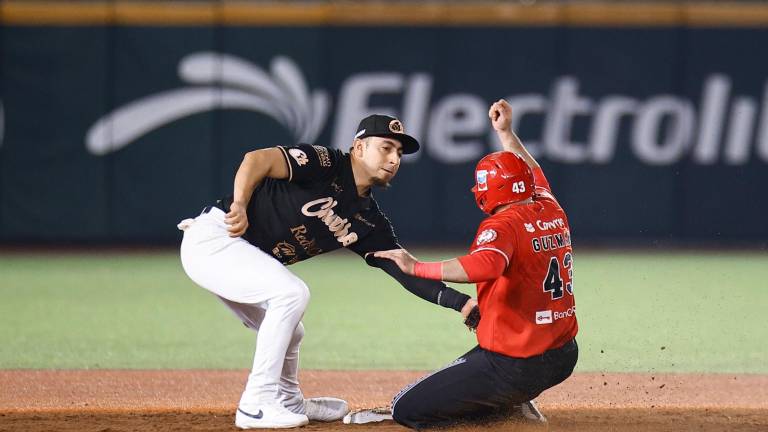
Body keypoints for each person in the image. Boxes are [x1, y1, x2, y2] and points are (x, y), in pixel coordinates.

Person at [177, 114, 477, 429]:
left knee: (293, 328)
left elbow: (406, 271)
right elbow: (258, 159)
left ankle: (288, 401)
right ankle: (255, 405)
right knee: (291, 294)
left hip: (239, 254)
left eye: (399, 153)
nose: (394, 159)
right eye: (386, 147)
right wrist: (239, 203)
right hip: (214, 239)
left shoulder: (369, 221)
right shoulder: (326, 163)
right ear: (359, 147)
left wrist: (462, 303)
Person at [374, 99, 579, 429]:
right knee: (472, 365)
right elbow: (530, 171)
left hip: (516, 364)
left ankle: (504, 408)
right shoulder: (550, 206)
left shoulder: (502, 224)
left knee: (405, 408)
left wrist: (416, 267)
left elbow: (484, 266)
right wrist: (506, 133)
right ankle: (513, 402)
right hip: (563, 355)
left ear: (488, 191)